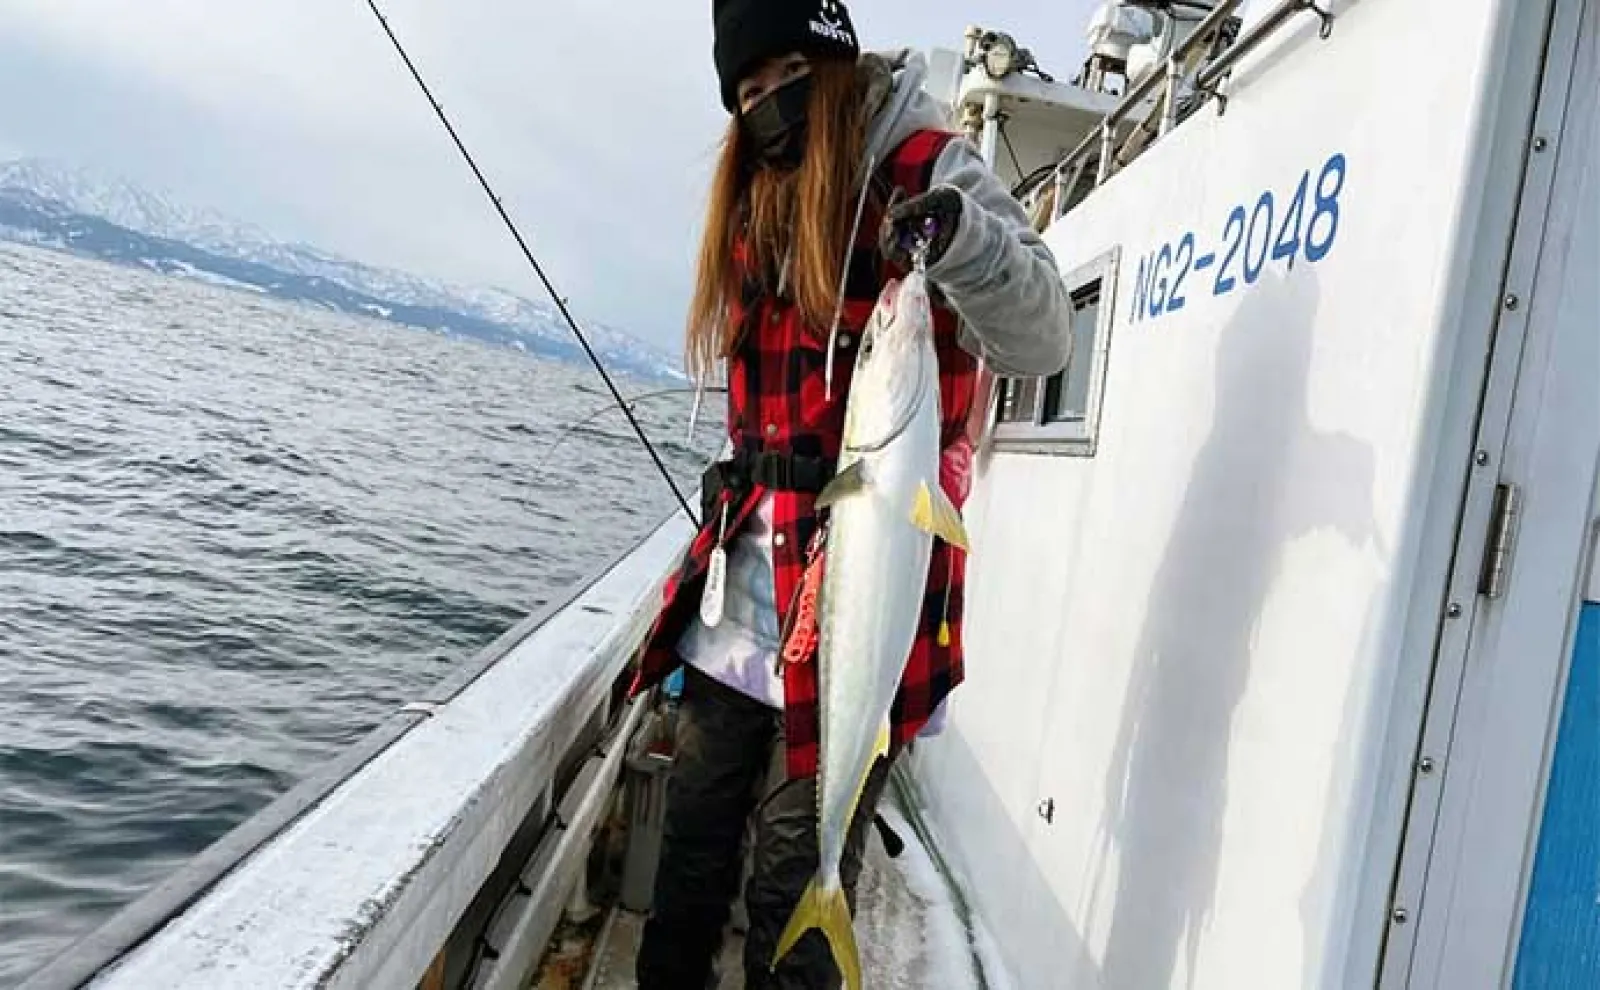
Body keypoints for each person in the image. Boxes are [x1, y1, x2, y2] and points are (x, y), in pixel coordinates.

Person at [631, 2, 1073, 987]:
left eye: (785, 72)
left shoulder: (926, 166)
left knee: (793, 879)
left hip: (855, 612)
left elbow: (1043, 336)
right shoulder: (751, 198)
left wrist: (960, 241)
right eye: (745, 94)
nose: (768, 106)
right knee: (690, 859)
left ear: (828, 60)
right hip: (739, 600)